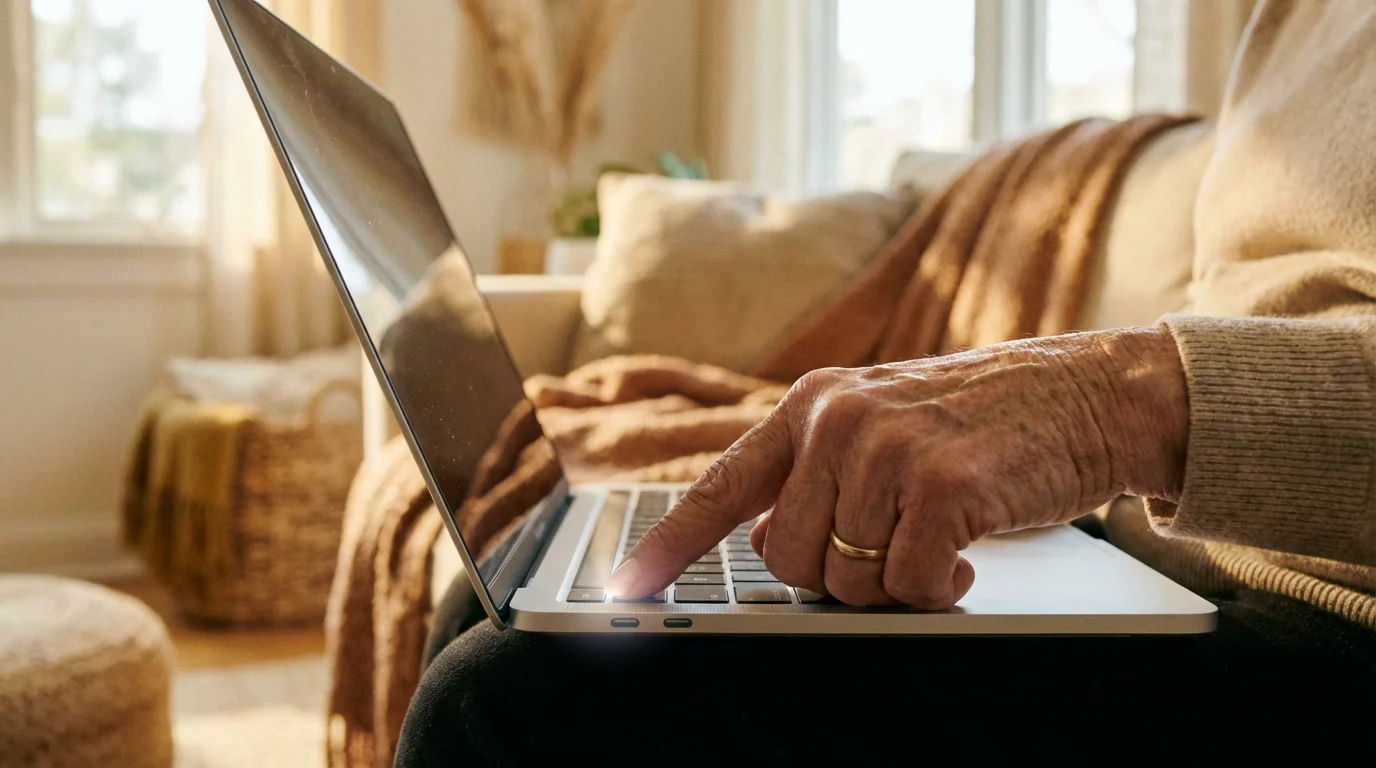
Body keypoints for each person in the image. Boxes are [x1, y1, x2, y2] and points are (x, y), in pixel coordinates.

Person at [396, 2, 1376, 763]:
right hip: (1174, 542)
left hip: (1333, 631)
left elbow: (1172, 385)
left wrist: (1117, 403)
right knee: (512, 588)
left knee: (507, 702)